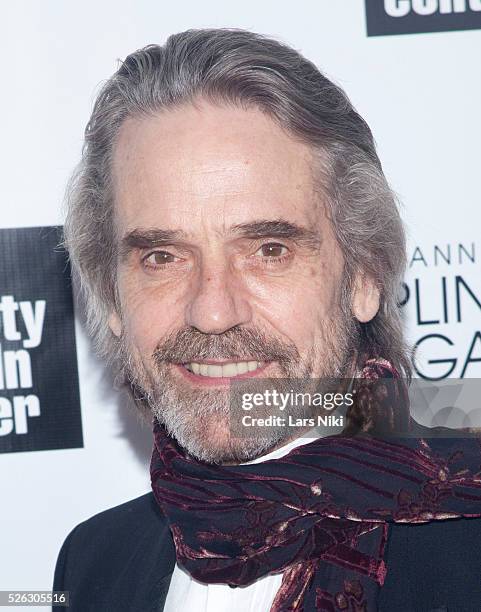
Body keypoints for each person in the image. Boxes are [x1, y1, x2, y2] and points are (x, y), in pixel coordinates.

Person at [53, 29, 481, 611]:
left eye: (269, 249)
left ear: (364, 277)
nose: (212, 310)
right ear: (110, 298)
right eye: (161, 256)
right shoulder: (93, 562)